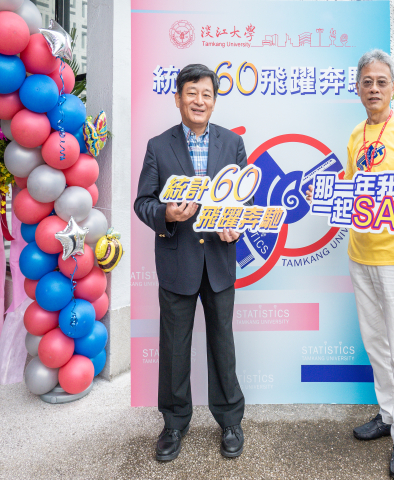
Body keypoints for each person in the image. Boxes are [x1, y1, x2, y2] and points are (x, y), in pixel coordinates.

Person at [307, 49, 394, 480]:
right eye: (367, 82)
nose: (374, 88)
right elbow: (349, 189)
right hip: (360, 253)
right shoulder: (355, 135)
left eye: (382, 81)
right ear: (358, 88)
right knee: (376, 343)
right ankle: (387, 414)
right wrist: (324, 195)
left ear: (393, 87)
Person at [134, 64, 246, 462]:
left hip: (219, 260)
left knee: (222, 345)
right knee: (174, 349)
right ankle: (174, 423)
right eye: (192, 93)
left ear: (214, 100)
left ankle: (230, 421)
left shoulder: (232, 143)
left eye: (207, 94)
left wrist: (235, 225)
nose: (200, 101)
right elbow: (142, 203)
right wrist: (167, 214)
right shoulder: (158, 146)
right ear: (178, 98)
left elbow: (243, 198)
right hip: (177, 261)